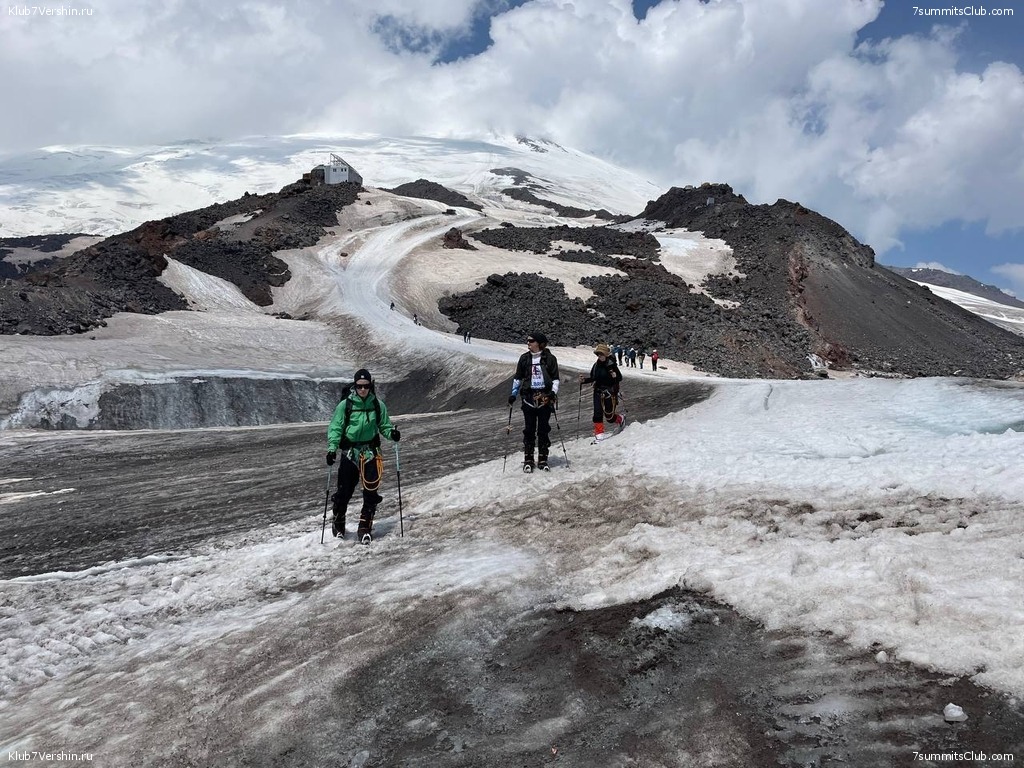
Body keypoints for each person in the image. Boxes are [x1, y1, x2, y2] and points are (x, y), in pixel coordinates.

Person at [325, 369, 400, 543]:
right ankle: (339, 521)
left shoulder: (378, 405)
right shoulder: (345, 405)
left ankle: (365, 527)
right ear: (355, 386)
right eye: (359, 386)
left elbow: (384, 426)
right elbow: (336, 427)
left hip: (371, 452)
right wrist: (332, 449)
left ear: (370, 386)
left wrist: (392, 434)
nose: (363, 389)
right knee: (345, 490)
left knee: (371, 490)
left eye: (366, 386)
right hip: (350, 452)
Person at [508, 332, 560, 471]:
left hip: (545, 398)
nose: (528, 343)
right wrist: (513, 394)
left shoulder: (550, 359)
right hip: (529, 397)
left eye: (531, 341)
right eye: (528, 341)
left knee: (543, 429)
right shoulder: (524, 358)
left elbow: (555, 378)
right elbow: (518, 377)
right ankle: (529, 459)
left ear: (539, 343)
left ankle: (543, 459)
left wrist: (553, 393)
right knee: (529, 429)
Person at [579, 343, 625, 440]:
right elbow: (593, 378)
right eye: (598, 354)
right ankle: (599, 433)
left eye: (601, 354)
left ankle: (620, 419)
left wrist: (615, 376)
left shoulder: (611, 365)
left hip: (609, 392)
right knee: (597, 413)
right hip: (598, 391)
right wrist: (584, 380)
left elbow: (619, 378)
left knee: (609, 417)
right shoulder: (596, 365)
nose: (599, 356)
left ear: (606, 354)